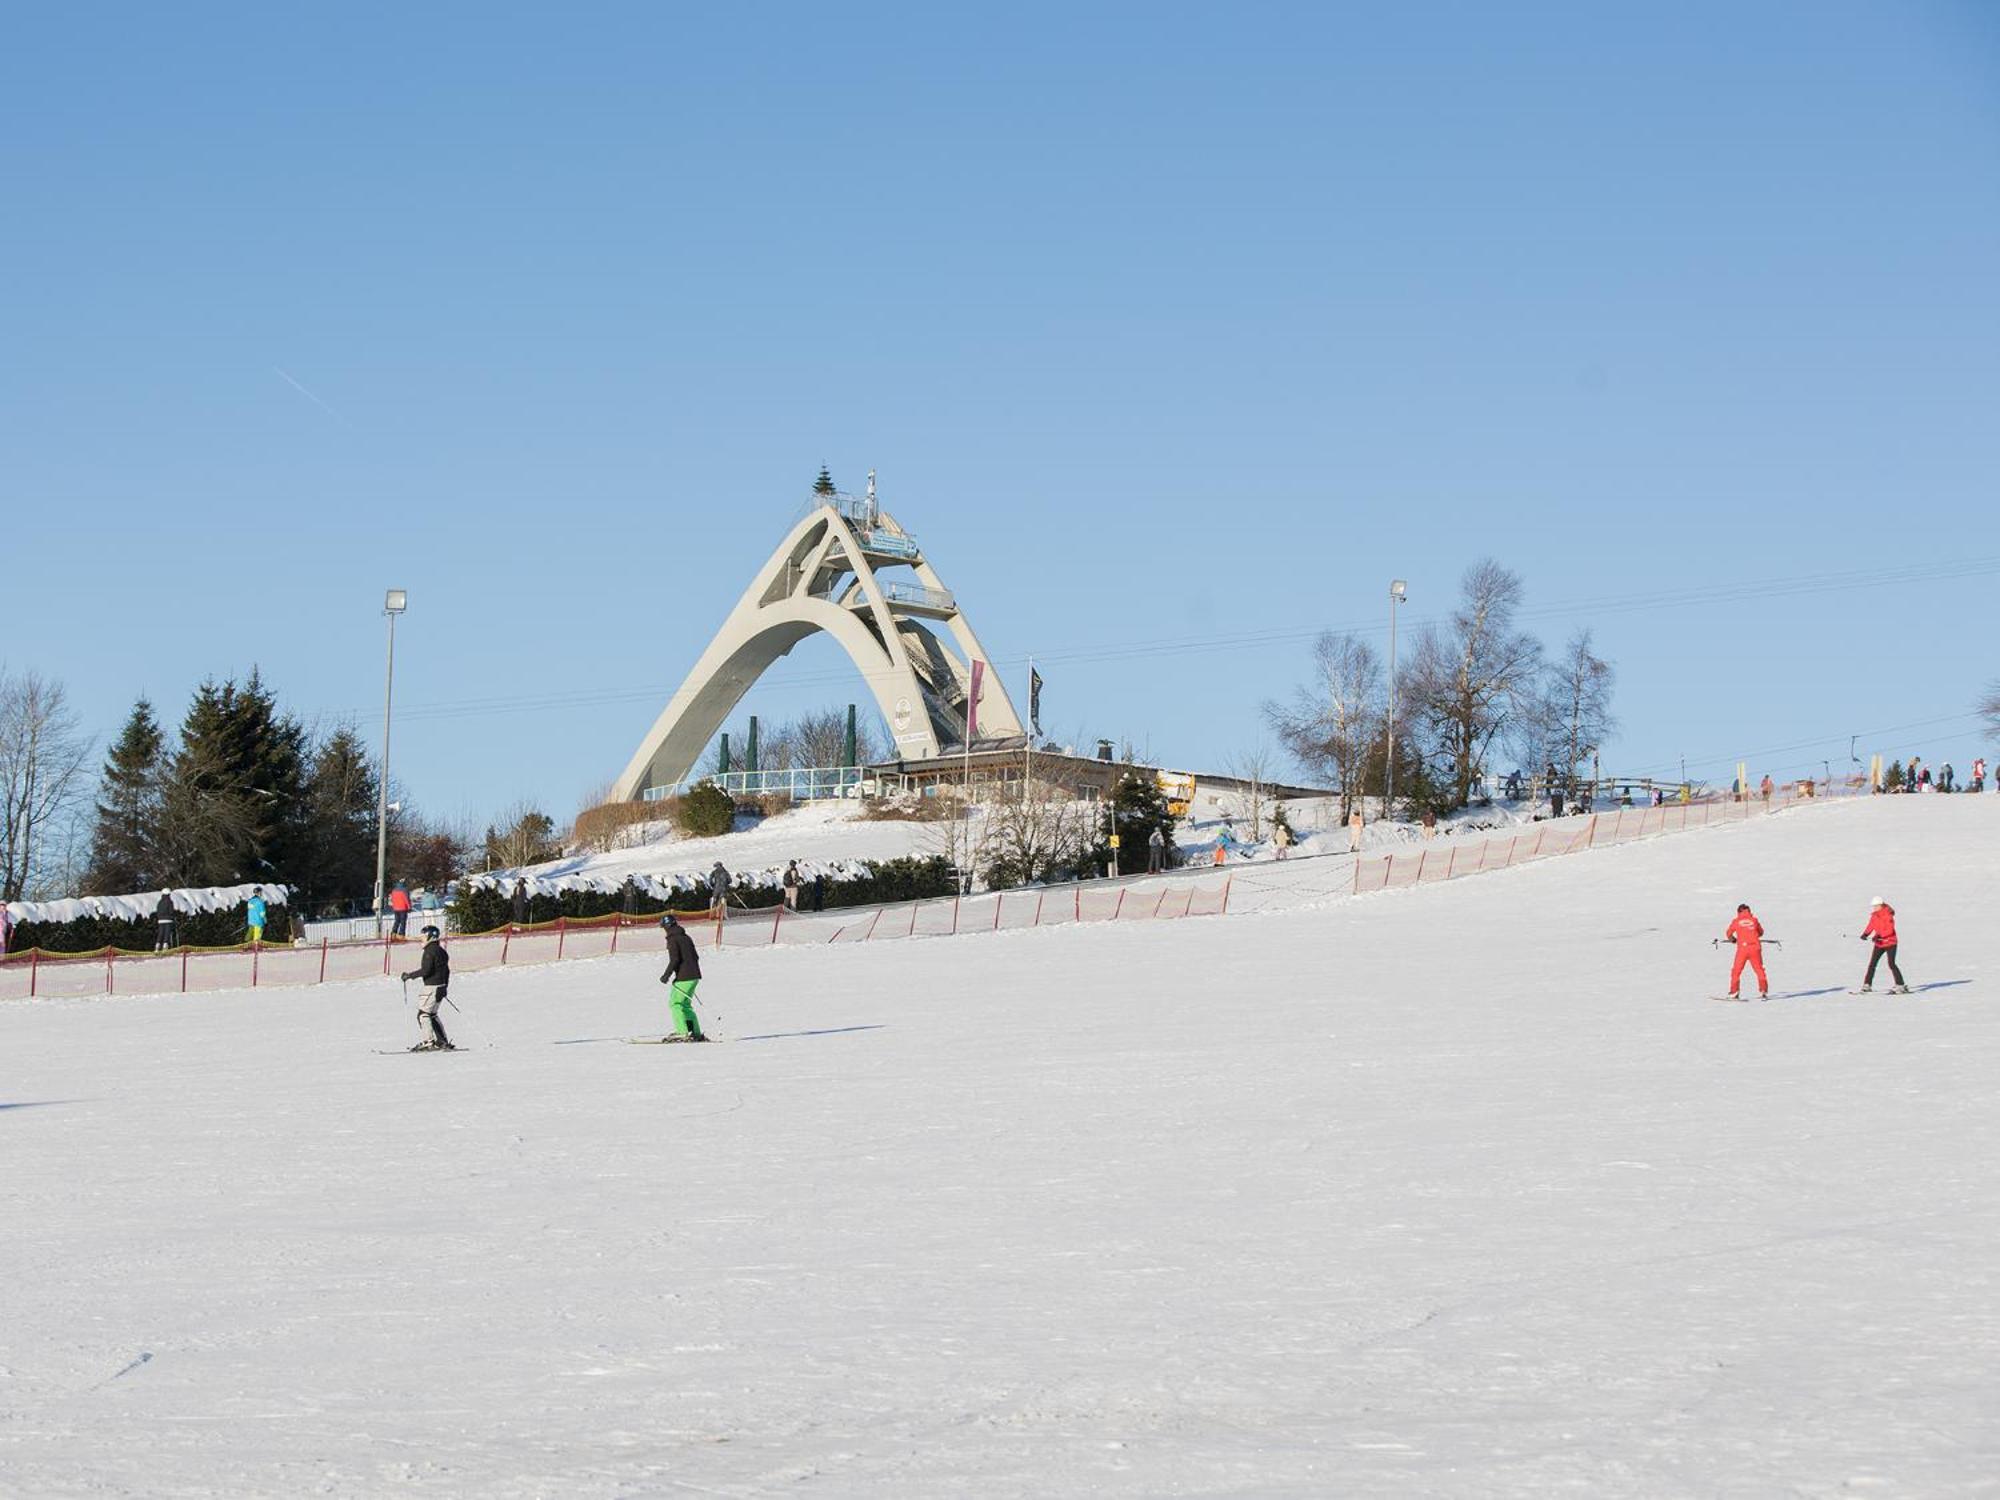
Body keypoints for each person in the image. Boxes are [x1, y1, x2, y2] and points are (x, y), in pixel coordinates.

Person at [400, 924, 454, 1050]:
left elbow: (426, 971)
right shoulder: (441, 951)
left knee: (423, 1014)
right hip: (440, 987)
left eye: (423, 936)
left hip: (431, 987)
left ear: (430, 936)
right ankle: (442, 1041)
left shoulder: (430, 951)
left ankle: (428, 1042)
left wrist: (409, 975)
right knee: (432, 1014)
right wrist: (445, 986)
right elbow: (447, 971)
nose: (421, 939)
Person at [656, 911, 708, 1042]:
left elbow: (675, 960)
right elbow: (695, 957)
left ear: (667, 927)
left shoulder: (673, 939)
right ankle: (694, 1031)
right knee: (686, 1005)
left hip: (685, 977)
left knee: (676, 1004)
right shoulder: (686, 937)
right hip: (694, 976)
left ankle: (682, 1032)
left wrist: (666, 976)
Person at [1857, 897, 1909, 993]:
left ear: (1881, 905)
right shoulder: (1875, 915)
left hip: (1890, 943)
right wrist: (1865, 934)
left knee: (1891, 963)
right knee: (1872, 964)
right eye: (1873, 906)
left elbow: (1890, 930)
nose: (1874, 908)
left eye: (1876, 906)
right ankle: (1867, 985)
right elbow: (1871, 925)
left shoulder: (1888, 915)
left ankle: (1900, 985)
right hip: (1879, 943)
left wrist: (1880, 935)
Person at [1722, 902, 1768, 1000]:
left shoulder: (1736, 921)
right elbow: (1761, 932)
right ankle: (1763, 991)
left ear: (1739, 912)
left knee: (1736, 971)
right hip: (1755, 948)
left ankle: (1734, 992)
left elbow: (1728, 933)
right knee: (1759, 970)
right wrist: (1751, 934)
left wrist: (1733, 939)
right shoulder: (1754, 920)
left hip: (1743, 949)